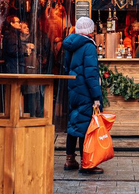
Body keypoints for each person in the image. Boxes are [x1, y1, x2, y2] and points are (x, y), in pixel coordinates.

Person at [62, 16, 103, 175]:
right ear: (90, 29)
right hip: (86, 91)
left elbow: (68, 67)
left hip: (74, 89)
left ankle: (70, 160)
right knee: (87, 127)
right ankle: (88, 163)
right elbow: (91, 74)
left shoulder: (71, 44)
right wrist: (96, 96)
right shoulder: (88, 46)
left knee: (74, 123)